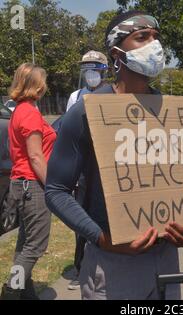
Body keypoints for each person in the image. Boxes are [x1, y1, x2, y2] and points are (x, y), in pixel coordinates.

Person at [45, 11, 183, 300]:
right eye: (142, 37)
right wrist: (102, 238)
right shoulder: (87, 111)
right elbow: (56, 190)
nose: (155, 45)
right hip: (112, 267)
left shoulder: (173, 111)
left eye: (156, 37)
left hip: (167, 259)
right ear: (117, 53)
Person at [1, 63, 56, 300]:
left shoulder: (20, 110)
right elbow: (35, 156)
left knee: (25, 245)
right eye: (43, 81)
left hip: (21, 183)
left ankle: (25, 294)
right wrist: (53, 187)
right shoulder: (30, 114)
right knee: (35, 246)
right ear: (37, 85)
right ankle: (11, 291)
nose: (45, 85)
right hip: (33, 185)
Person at [65, 51, 109, 291]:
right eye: (87, 70)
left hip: (105, 167)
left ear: (104, 71)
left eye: (95, 70)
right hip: (83, 167)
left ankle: (106, 262)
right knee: (80, 216)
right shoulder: (76, 96)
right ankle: (80, 267)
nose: (91, 75)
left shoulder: (113, 94)